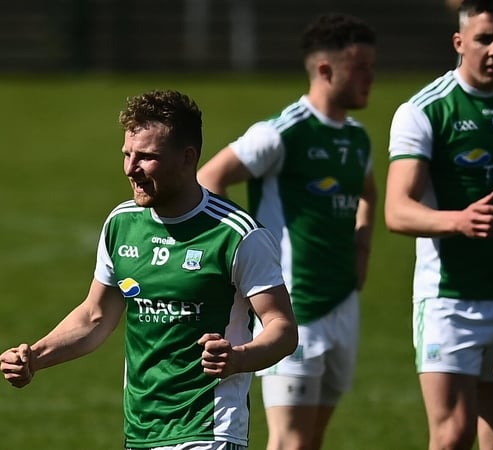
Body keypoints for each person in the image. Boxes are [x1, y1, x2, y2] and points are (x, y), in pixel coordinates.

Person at [0, 89, 299, 449]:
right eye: (127, 154)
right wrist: (35, 357)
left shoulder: (237, 235)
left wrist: (238, 358)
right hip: (141, 431)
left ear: (187, 158)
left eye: (146, 157)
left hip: (209, 429)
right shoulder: (122, 224)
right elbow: (94, 318)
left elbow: (283, 328)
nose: (130, 169)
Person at [196, 13, 377, 450]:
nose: (371, 78)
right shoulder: (281, 133)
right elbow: (209, 177)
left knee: (312, 439)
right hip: (292, 306)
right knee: (289, 441)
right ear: (325, 69)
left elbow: (368, 192)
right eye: (360, 68)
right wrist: (241, 252)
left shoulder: (357, 138)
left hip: (341, 303)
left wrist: (361, 252)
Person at [384, 0, 493, 448]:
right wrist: (458, 221)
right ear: (459, 42)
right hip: (450, 300)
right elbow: (397, 210)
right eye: (484, 39)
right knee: (452, 436)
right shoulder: (425, 110)